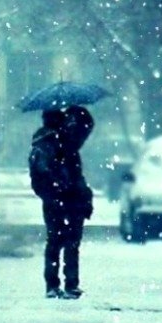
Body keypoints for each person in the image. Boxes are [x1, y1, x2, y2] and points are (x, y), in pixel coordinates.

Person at [28, 105, 95, 299]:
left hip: (58, 199)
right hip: (66, 198)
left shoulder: (47, 144)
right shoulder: (60, 144)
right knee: (68, 242)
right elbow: (73, 175)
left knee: (56, 241)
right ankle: (68, 284)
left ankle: (54, 284)